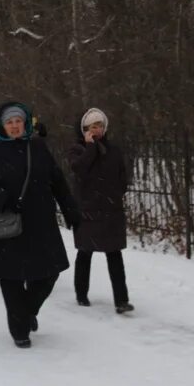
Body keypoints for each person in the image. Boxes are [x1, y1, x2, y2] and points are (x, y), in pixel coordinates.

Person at [0, 102, 79, 348]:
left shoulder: (38, 147)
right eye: (9, 122)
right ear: (2, 126)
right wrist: (2, 199)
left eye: (18, 121)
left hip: (41, 222)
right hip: (9, 223)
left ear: (25, 122)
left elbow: (57, 180)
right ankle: (19, 329)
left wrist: (70, 210)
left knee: (49, 273)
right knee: (12, 278)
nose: (15, 126)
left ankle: (28, 311)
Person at [67, 107, 134, 314]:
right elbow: (78, 170)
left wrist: (115, 194)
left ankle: (121, 300)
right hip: (88, 210)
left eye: (101, 126)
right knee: (85, 252)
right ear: (85, 129)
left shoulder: (113, 150)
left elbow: (122, 177)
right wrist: (90, 148)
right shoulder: (77, 149)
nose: (98, 130)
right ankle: (81, 293)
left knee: (114, 255)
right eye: (93, 126)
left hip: (110, 210)